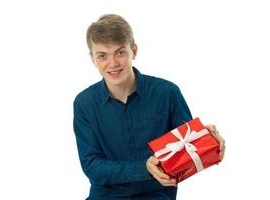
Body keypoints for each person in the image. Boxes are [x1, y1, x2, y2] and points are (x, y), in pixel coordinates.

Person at [73, 14, 225, 200]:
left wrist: (208, 143)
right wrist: (143, 167)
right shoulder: (84, 103)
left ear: (134, 51)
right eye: (102, 56)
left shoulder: (167, 93)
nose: (112, 63)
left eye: (120, 52)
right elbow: (92, 167)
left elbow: (188, 151)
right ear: (93, 59)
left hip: (156, 195)